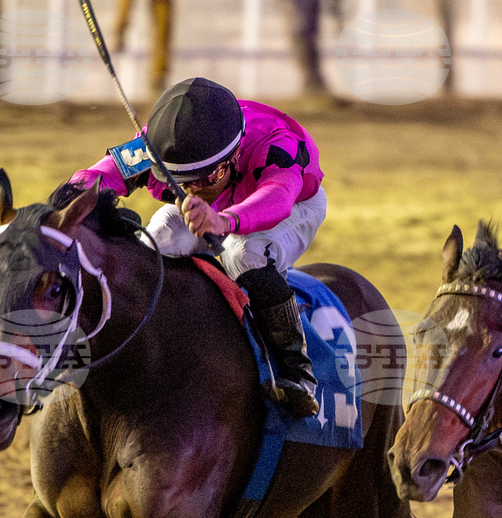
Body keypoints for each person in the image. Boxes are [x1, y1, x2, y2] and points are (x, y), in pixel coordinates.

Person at [72, 77, 325, 418]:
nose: (196, 189)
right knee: (155, 242)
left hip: (291, 207)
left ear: (234, 155)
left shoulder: (276, 143)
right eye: (183, 182)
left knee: (243, 254)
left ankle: (297, 371)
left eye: (208, 178)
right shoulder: (153, 146)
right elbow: (99, 176)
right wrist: (63, 203)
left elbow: (278, 197)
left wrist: (224, 221)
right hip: (218, 207)